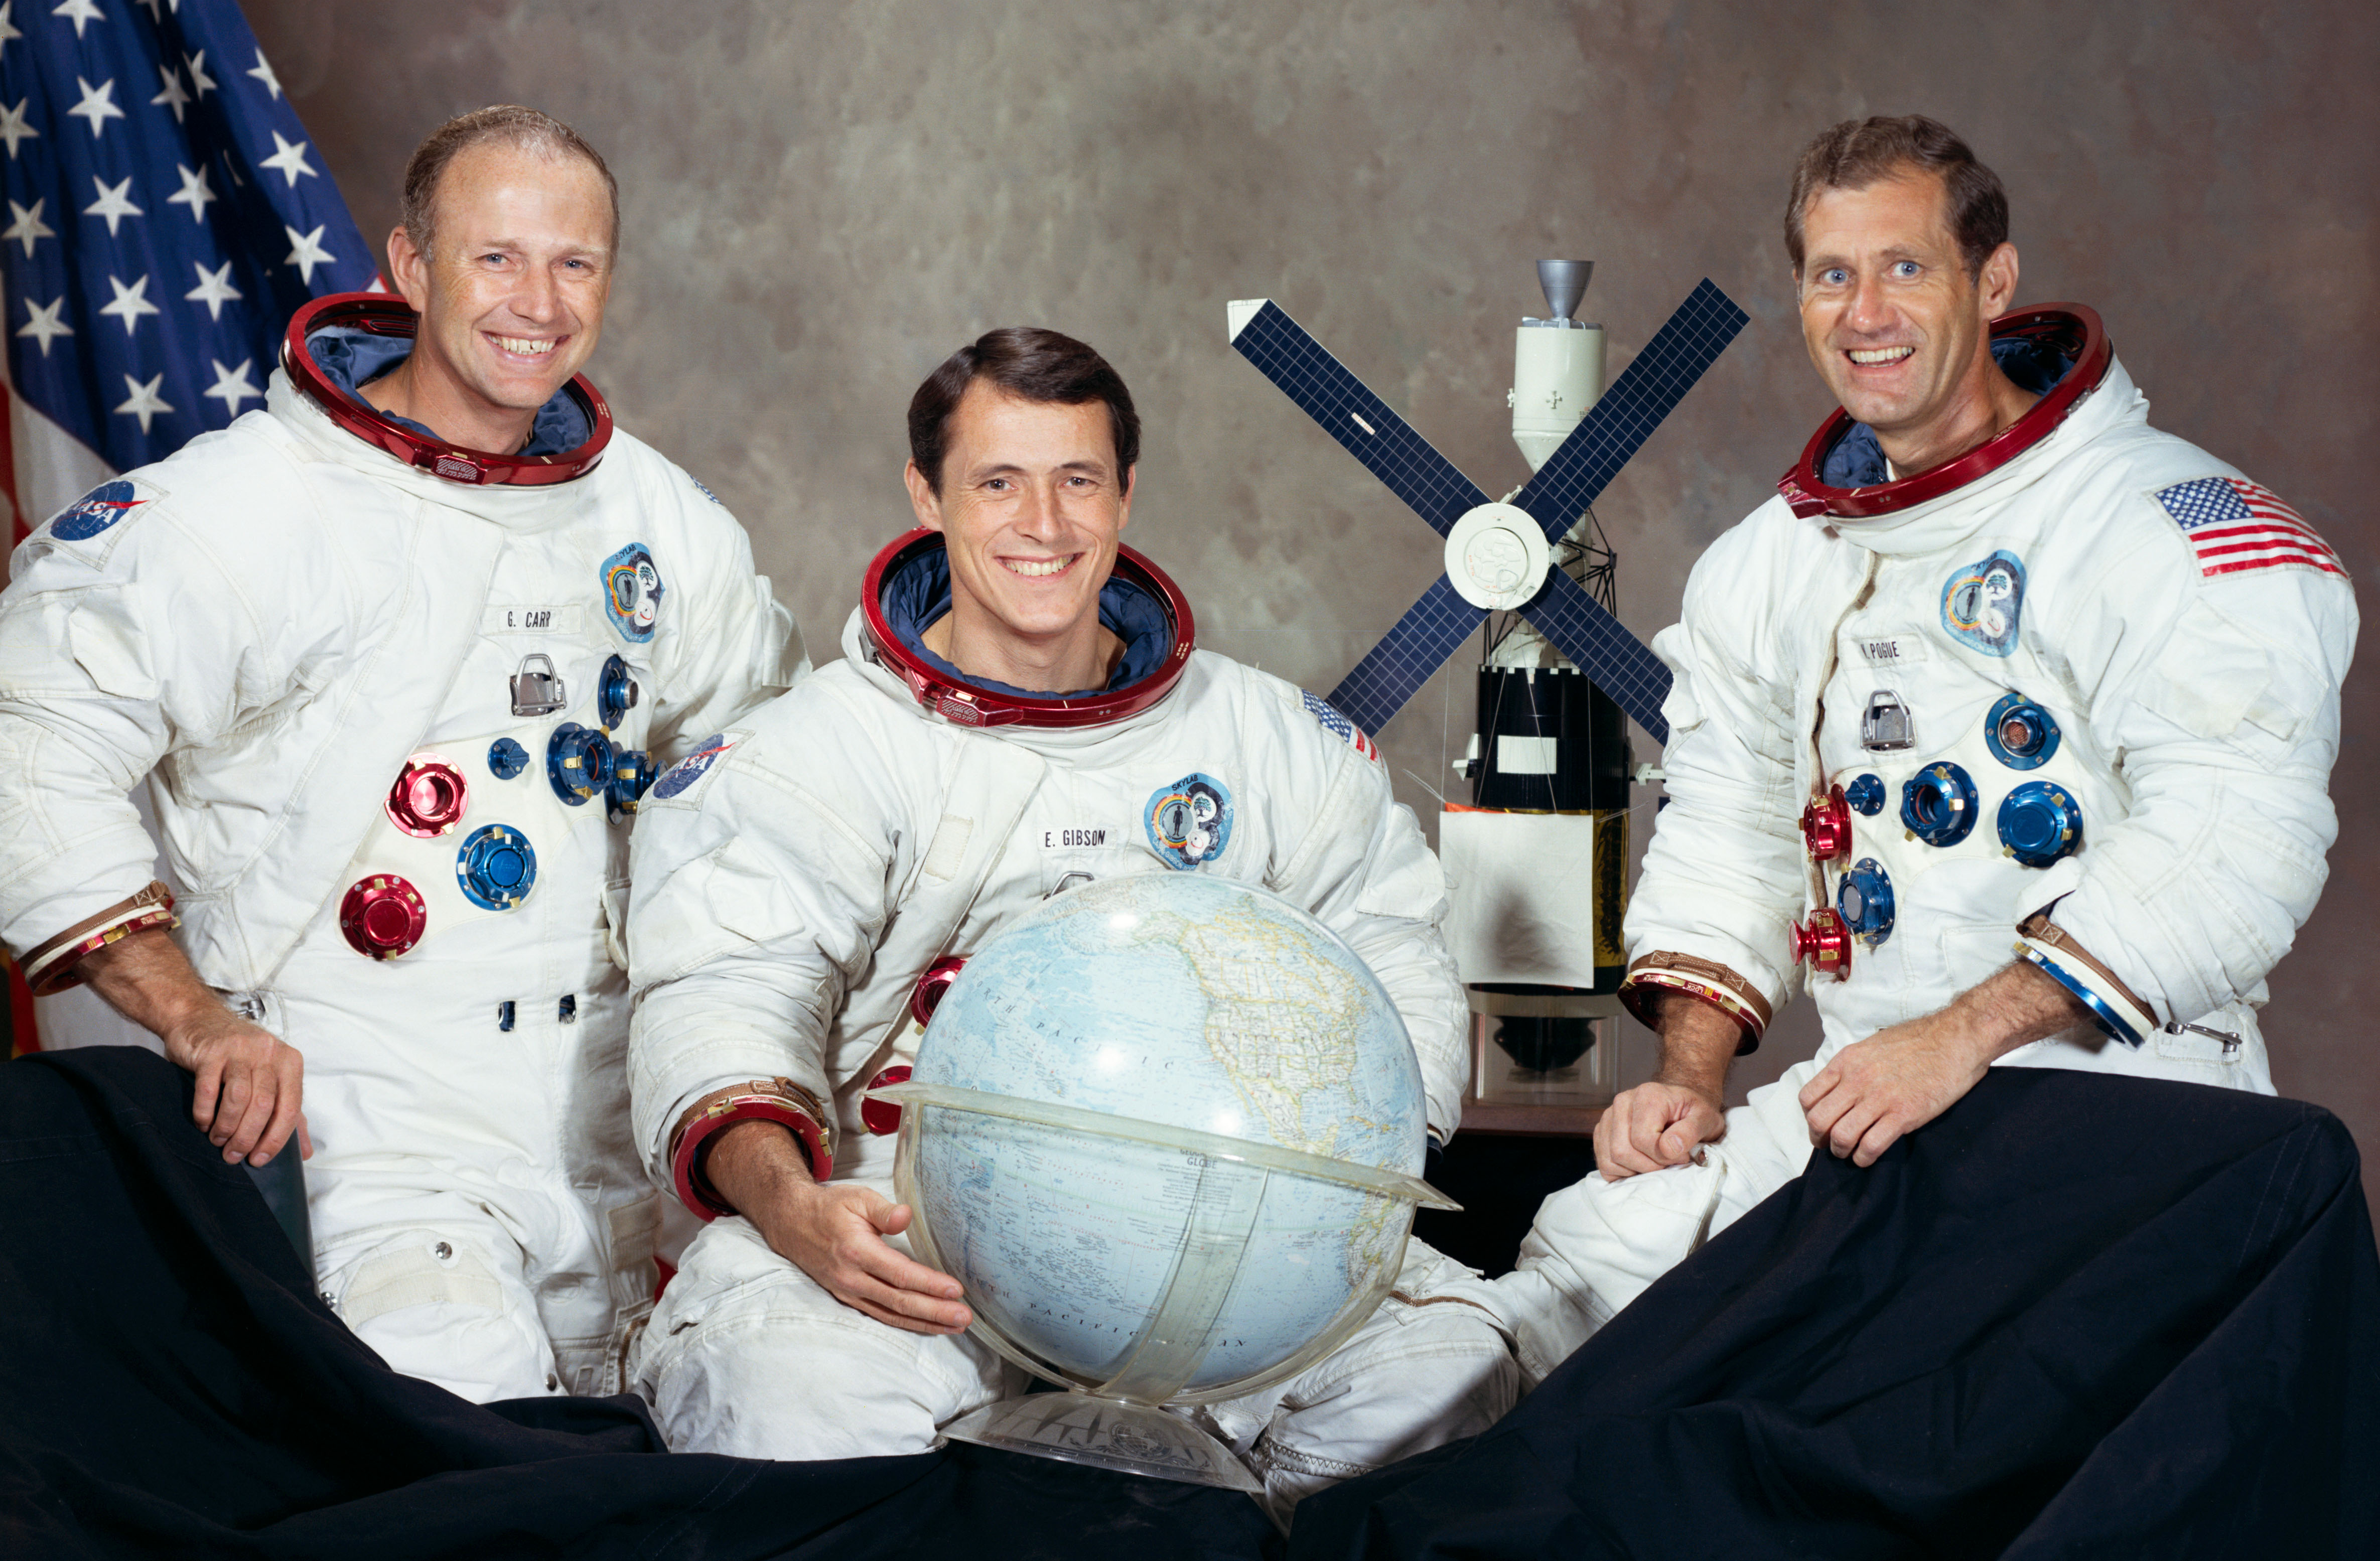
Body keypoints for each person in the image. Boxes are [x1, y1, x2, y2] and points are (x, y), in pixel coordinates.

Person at [1491, 115, 2358, 1381]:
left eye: (1902, 266)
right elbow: (1731, 828)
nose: (1863, 311)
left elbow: (2235, 846)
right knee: (1587, 1261)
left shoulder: (2171, 525)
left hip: (2125, 1098)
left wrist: (1958, 1039)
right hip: (1865, 1093)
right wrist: (1688, 1077)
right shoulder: (1770, 564)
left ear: (1990, 282)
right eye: (1830, 274)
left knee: (1925, 1380)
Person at [625, 328, 1514, 1515]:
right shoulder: (817, 752)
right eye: (997, 480)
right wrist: (797, 1213)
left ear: (1125, 493)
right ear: (926, 495)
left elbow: (1392, 962)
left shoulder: (1270, 747)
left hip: (1224, 1245)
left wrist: (1309, 1220)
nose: (1042, 522)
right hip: (899, 1231)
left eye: (1077, 479)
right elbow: (724, 999)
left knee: (1442, 1375)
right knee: (788, 1391)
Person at [0, 107, 802, 1400]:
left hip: (617, 1119)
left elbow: (771, 771)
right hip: (363, 1126)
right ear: (411, 268)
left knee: (734, 1428)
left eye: (575, 263)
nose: (538, 302)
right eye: (495, 259)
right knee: (458, 1423)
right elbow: (27, 729)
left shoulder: (655, 515)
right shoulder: (250, 508)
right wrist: (190, 1017)